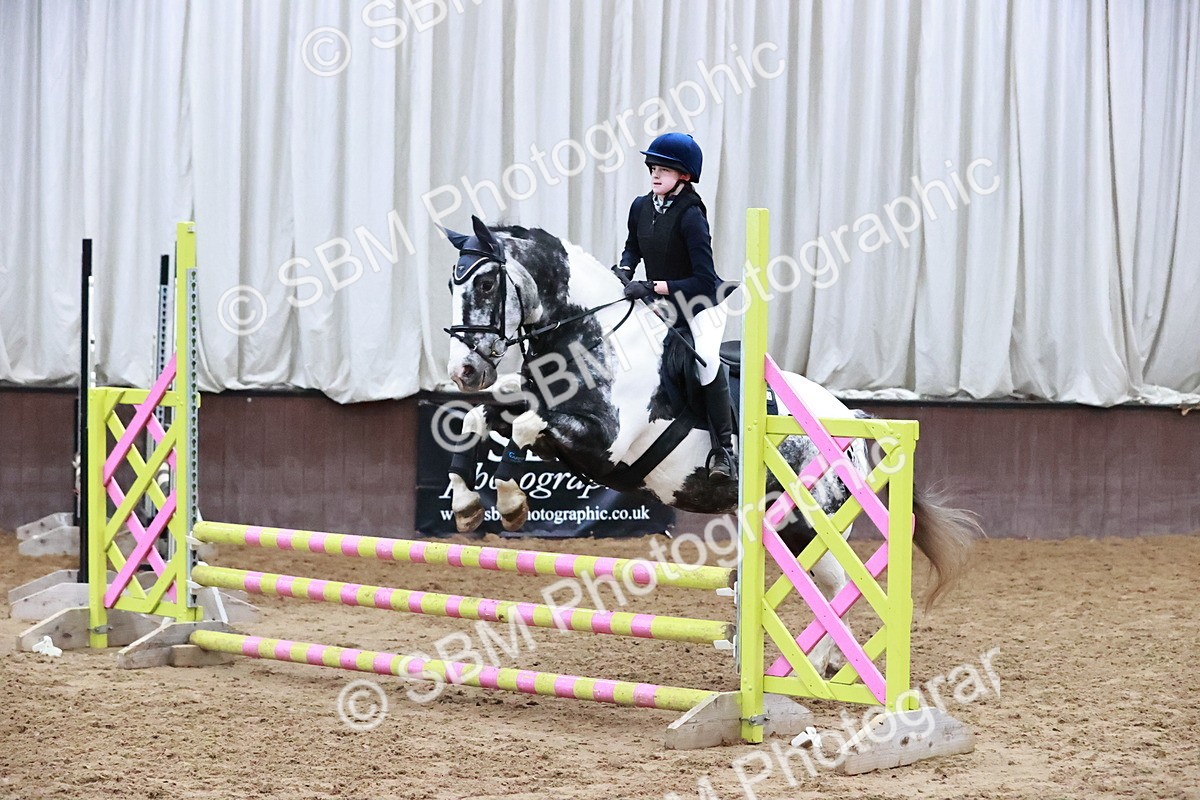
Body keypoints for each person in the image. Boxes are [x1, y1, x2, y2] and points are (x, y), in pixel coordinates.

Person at [615, 132, 735, 482]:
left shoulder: (691, 216)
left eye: (664, 169)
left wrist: (652, 286)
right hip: (661, 303)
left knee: (707, 362)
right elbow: (632, 248)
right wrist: (624, 268)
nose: (655, 173)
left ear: (684, 175)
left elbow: (703, 279)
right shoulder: (641, 206)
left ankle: (722, 451)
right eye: (653, 166)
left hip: (700, 303)